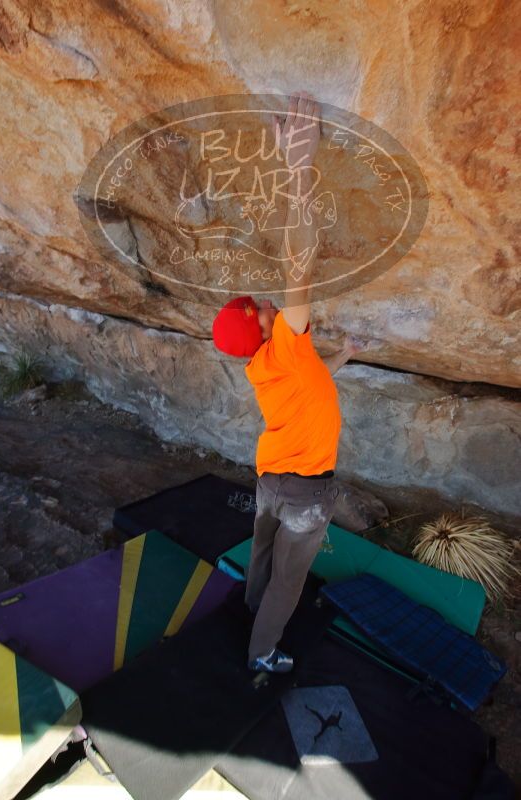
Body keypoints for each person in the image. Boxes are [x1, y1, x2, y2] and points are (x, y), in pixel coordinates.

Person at [212, 91, 366, 672]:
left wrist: (344, 357)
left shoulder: (268, 365)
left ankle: (247, 614)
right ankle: (261, 653)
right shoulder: (286, 343)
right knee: (289, 579)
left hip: (274, 479)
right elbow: (298, 261)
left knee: (262, 553)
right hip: (301, 490)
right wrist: (298, 169)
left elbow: (312, 389)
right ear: (261, 328)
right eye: (261, 310)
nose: (270, 305)